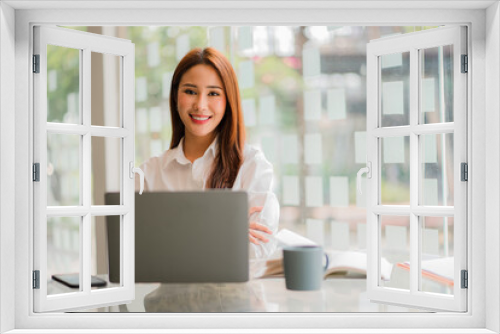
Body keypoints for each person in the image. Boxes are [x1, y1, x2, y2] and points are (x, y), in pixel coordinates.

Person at [136, 47, 279, 271]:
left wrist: (174, 235)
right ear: (175, 97)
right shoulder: (149, 175)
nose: (200, 105)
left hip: (233, 304)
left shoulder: (252, 166)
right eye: (191, 91)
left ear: (228, 100)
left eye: (213, 93)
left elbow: (256, 252)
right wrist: (225, 232)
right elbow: (134, 253)